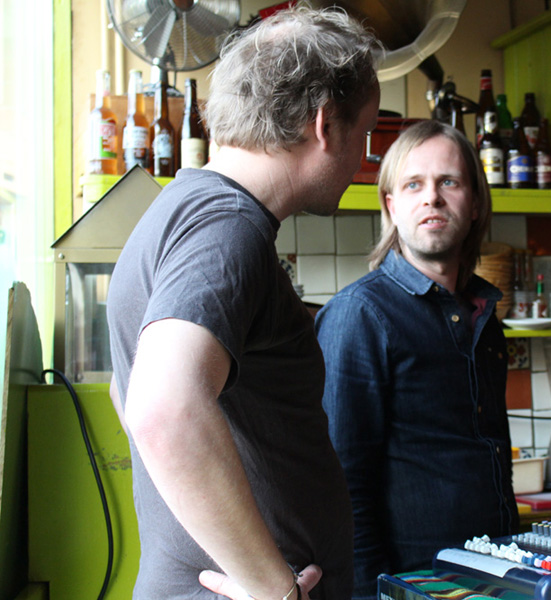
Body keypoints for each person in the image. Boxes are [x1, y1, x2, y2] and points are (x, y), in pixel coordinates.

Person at [105, 6, 381, 600]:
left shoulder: (182, 208)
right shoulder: (228, 228)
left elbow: (125, 392)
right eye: (364, 133)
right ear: (324, 123)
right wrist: (273, 587)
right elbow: (161, 409)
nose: (363, 157)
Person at [315, 120, 519, 600]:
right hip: (412, 587)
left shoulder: (485, 317)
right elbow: (340, 488)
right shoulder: (360, 316)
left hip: (496, 578)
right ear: (391, 205)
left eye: (448, 182)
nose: (432, 198)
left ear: (475, 203)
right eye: (413, 184)